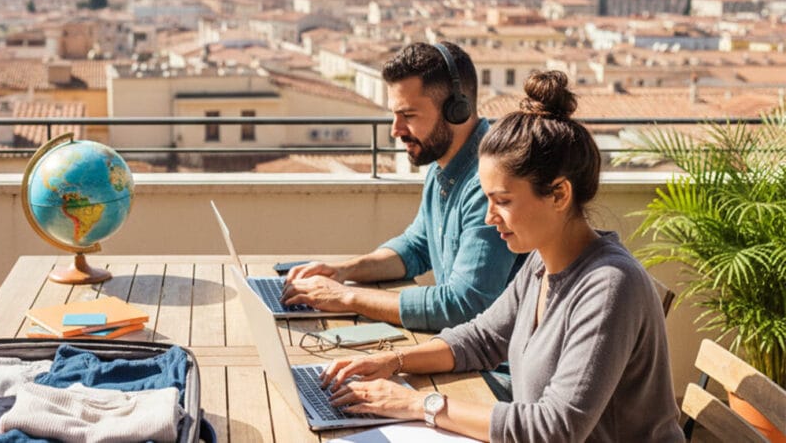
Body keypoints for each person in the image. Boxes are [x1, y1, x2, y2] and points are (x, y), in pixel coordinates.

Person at [318, 71, 685, 442]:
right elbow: (481, 339)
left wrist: (420, 404)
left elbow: (554, 430)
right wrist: (390, 363)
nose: (489, 217)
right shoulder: (543, 262)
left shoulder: (609, 287)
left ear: (559, 195)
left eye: (503, 201)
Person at [281, 42, 524, 331]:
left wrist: (347, 297)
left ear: (456, 110)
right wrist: (342, 271)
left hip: (492, 368)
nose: (396, 130)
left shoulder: (489, 184)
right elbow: (416, 247)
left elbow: (462, 306)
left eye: (408, 116)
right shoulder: (441, 166)